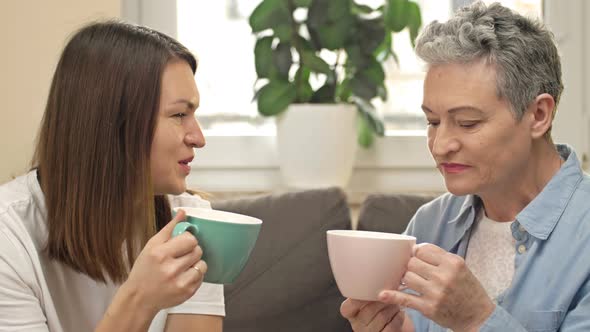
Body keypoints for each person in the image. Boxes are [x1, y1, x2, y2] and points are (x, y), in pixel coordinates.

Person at [340, 2, 590, 331]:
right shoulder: (429, 225)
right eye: (432, 121)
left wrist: (477, 320)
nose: (441, 145)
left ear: (539, 115)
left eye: (468, 123)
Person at [0, 21, 224, 331]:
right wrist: (139, 298)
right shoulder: (8, 239)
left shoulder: (195, 223)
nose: (198, 138)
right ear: (114, 126)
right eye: (179, 115)